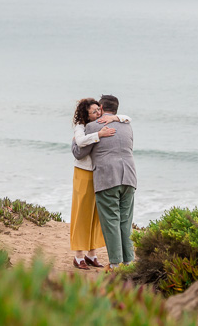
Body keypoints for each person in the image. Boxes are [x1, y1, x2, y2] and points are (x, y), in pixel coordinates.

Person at [72, 94, 137, 269]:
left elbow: (79, 153)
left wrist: (75, 142)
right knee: (125, 221)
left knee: (111, 221)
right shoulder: (127, 125)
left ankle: (115, 263)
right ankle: (129, 261)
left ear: (101, 108)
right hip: (129, 177)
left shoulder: (93, 127)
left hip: (107, 178)